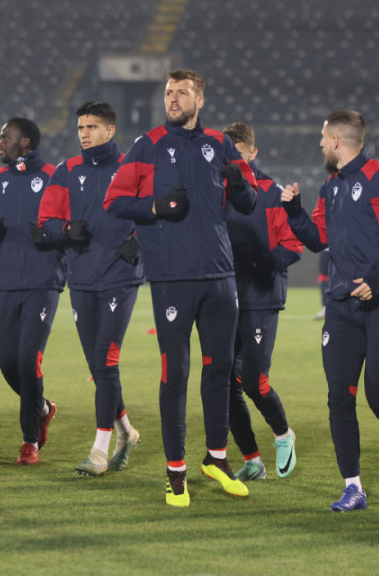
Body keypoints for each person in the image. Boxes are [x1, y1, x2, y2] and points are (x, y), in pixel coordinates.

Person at [104, 69, 258, 507]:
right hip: (172, 278)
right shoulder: (148, 145)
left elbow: (248, 203)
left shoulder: (220, 144)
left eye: (182, 93)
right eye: (169, 92)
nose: (173, 99)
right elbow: (114, 201)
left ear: (199, 100)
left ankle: (216, 458)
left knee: (219, 370)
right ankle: (175, 472)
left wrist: (239, 181)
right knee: (176, 373)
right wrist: (155, 207)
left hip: (220, 275)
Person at [280, 110, 379, 512]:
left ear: (336, 141)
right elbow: (317, 239)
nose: (319, 144)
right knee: (339, 399)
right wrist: (294, 212)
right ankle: (353, 487)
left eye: (322, 137)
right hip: (341, 307)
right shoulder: (330, 187)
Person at [37, 102, 144, 477]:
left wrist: (142, 241)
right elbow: (46, 222)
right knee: (98, 367)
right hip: (81, 278)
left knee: (106, 361)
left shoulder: (132, 168)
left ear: (110, 131)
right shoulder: (66, 171)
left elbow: (157, 214)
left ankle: (99, 450)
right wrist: (66, 230)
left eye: (92, 127)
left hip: (120, 276)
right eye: (81, 127)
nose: (84, 133)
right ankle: (126, 432)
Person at [0, 117, 63, 466]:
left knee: (28, 359)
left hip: (44, 282)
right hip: (8, 284)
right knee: (7, 364)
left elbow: (70, 225)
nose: (1, 143)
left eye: (6, 138)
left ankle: (29, 441)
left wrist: (54, 237)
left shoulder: (56, 177)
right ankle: (42, 407)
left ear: (25, 142)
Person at [221, 122, 302, 481]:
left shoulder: (271, 193)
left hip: (260, 295)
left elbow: (293, 245)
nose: (233, 162)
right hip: (224, 297)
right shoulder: (217, 192)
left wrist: (262, 262)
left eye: (239, 155)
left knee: (253, 381)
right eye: (228, 156)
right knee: (224, 383)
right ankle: (252, 460)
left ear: (253, 153)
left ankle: (283, 434)